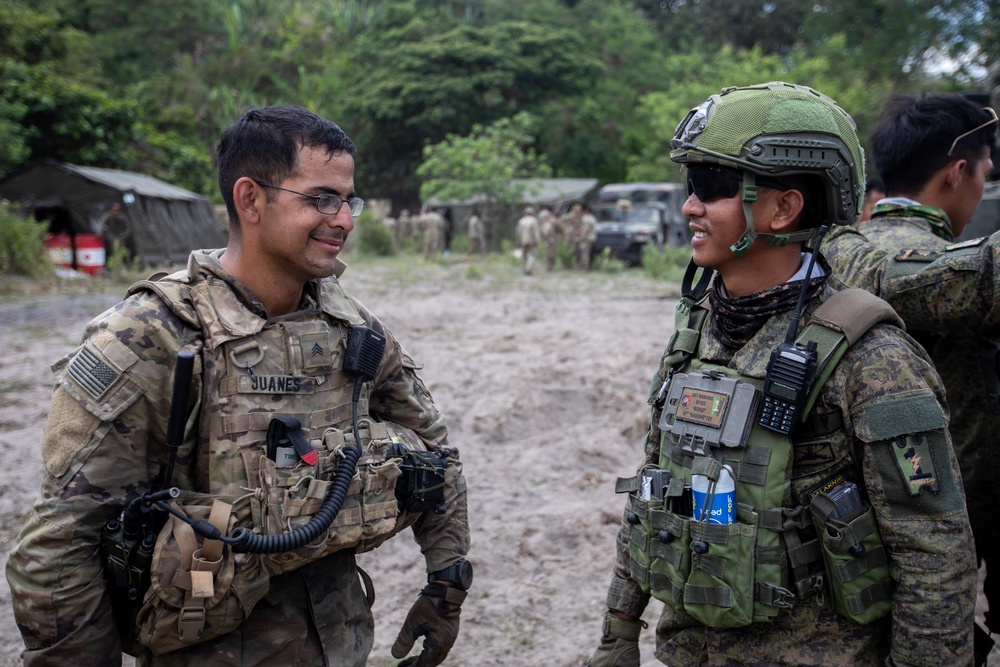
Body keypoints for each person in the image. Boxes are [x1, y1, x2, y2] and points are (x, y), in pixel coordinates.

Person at [6, 105, 472, 667]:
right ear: (250, 199)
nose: (344, 219)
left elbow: (438, 456)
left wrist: (446, 584)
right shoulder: (154, 336)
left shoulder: (354, 331)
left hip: (340, 648)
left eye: (350, 200)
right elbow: (58, 543)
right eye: (322, 198)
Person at [589, 82, 976, 667]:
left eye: (713, 188)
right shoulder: (696, 331)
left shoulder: (873, 360)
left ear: (782, 208)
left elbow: (934, 554)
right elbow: (656, 486)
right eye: (690, 186)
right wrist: (619, 632)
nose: (690, 207)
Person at [851, 93, 999, 636]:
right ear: (958, 172)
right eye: (984, 171)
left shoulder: (833, 251)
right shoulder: (934, 266)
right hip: (935, 533)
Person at [515, 205, 541, 275]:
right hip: (531, 240)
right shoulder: (534, 220)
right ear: (532, 213)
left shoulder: (521, 221)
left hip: (523, 240)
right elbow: (536, 232)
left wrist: (519, 241)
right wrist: (538, 241)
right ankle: (528, 269)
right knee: (531, 255)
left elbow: (518, 232)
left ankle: (525, 269)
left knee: (524, 256)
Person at [578, 204, 598, 270]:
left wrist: (582, 236)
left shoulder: (587, 218)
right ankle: (585, 266)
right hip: (592, 238)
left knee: (584, 253)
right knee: (587, 252)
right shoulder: (593, 218)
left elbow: (586, 229)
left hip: (587, 238)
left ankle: (585, 268)